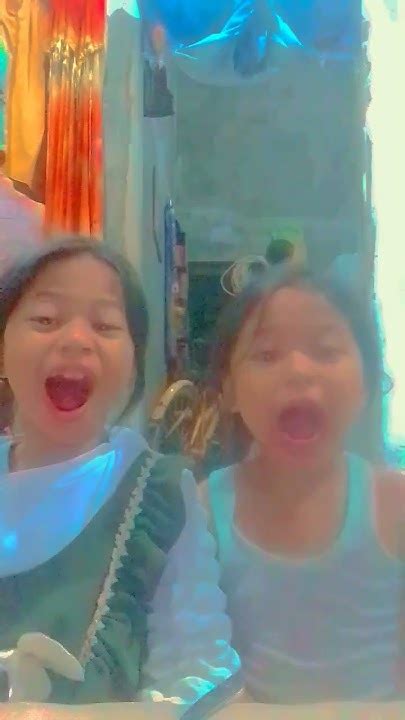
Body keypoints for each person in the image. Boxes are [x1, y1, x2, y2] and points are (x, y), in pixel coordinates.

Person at [0, 237, 240, 713]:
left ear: (134, 361)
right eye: (45, 319)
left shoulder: (158, 494)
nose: (75, 339)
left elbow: (195, 669)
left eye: (105, 325)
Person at [205, 265, 405, 704]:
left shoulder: (394, 505)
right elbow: (195, 658)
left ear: (367, 384)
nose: (298, 370)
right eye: (267, 355)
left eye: (326, 351)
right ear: (229, 390)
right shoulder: (205, 508)